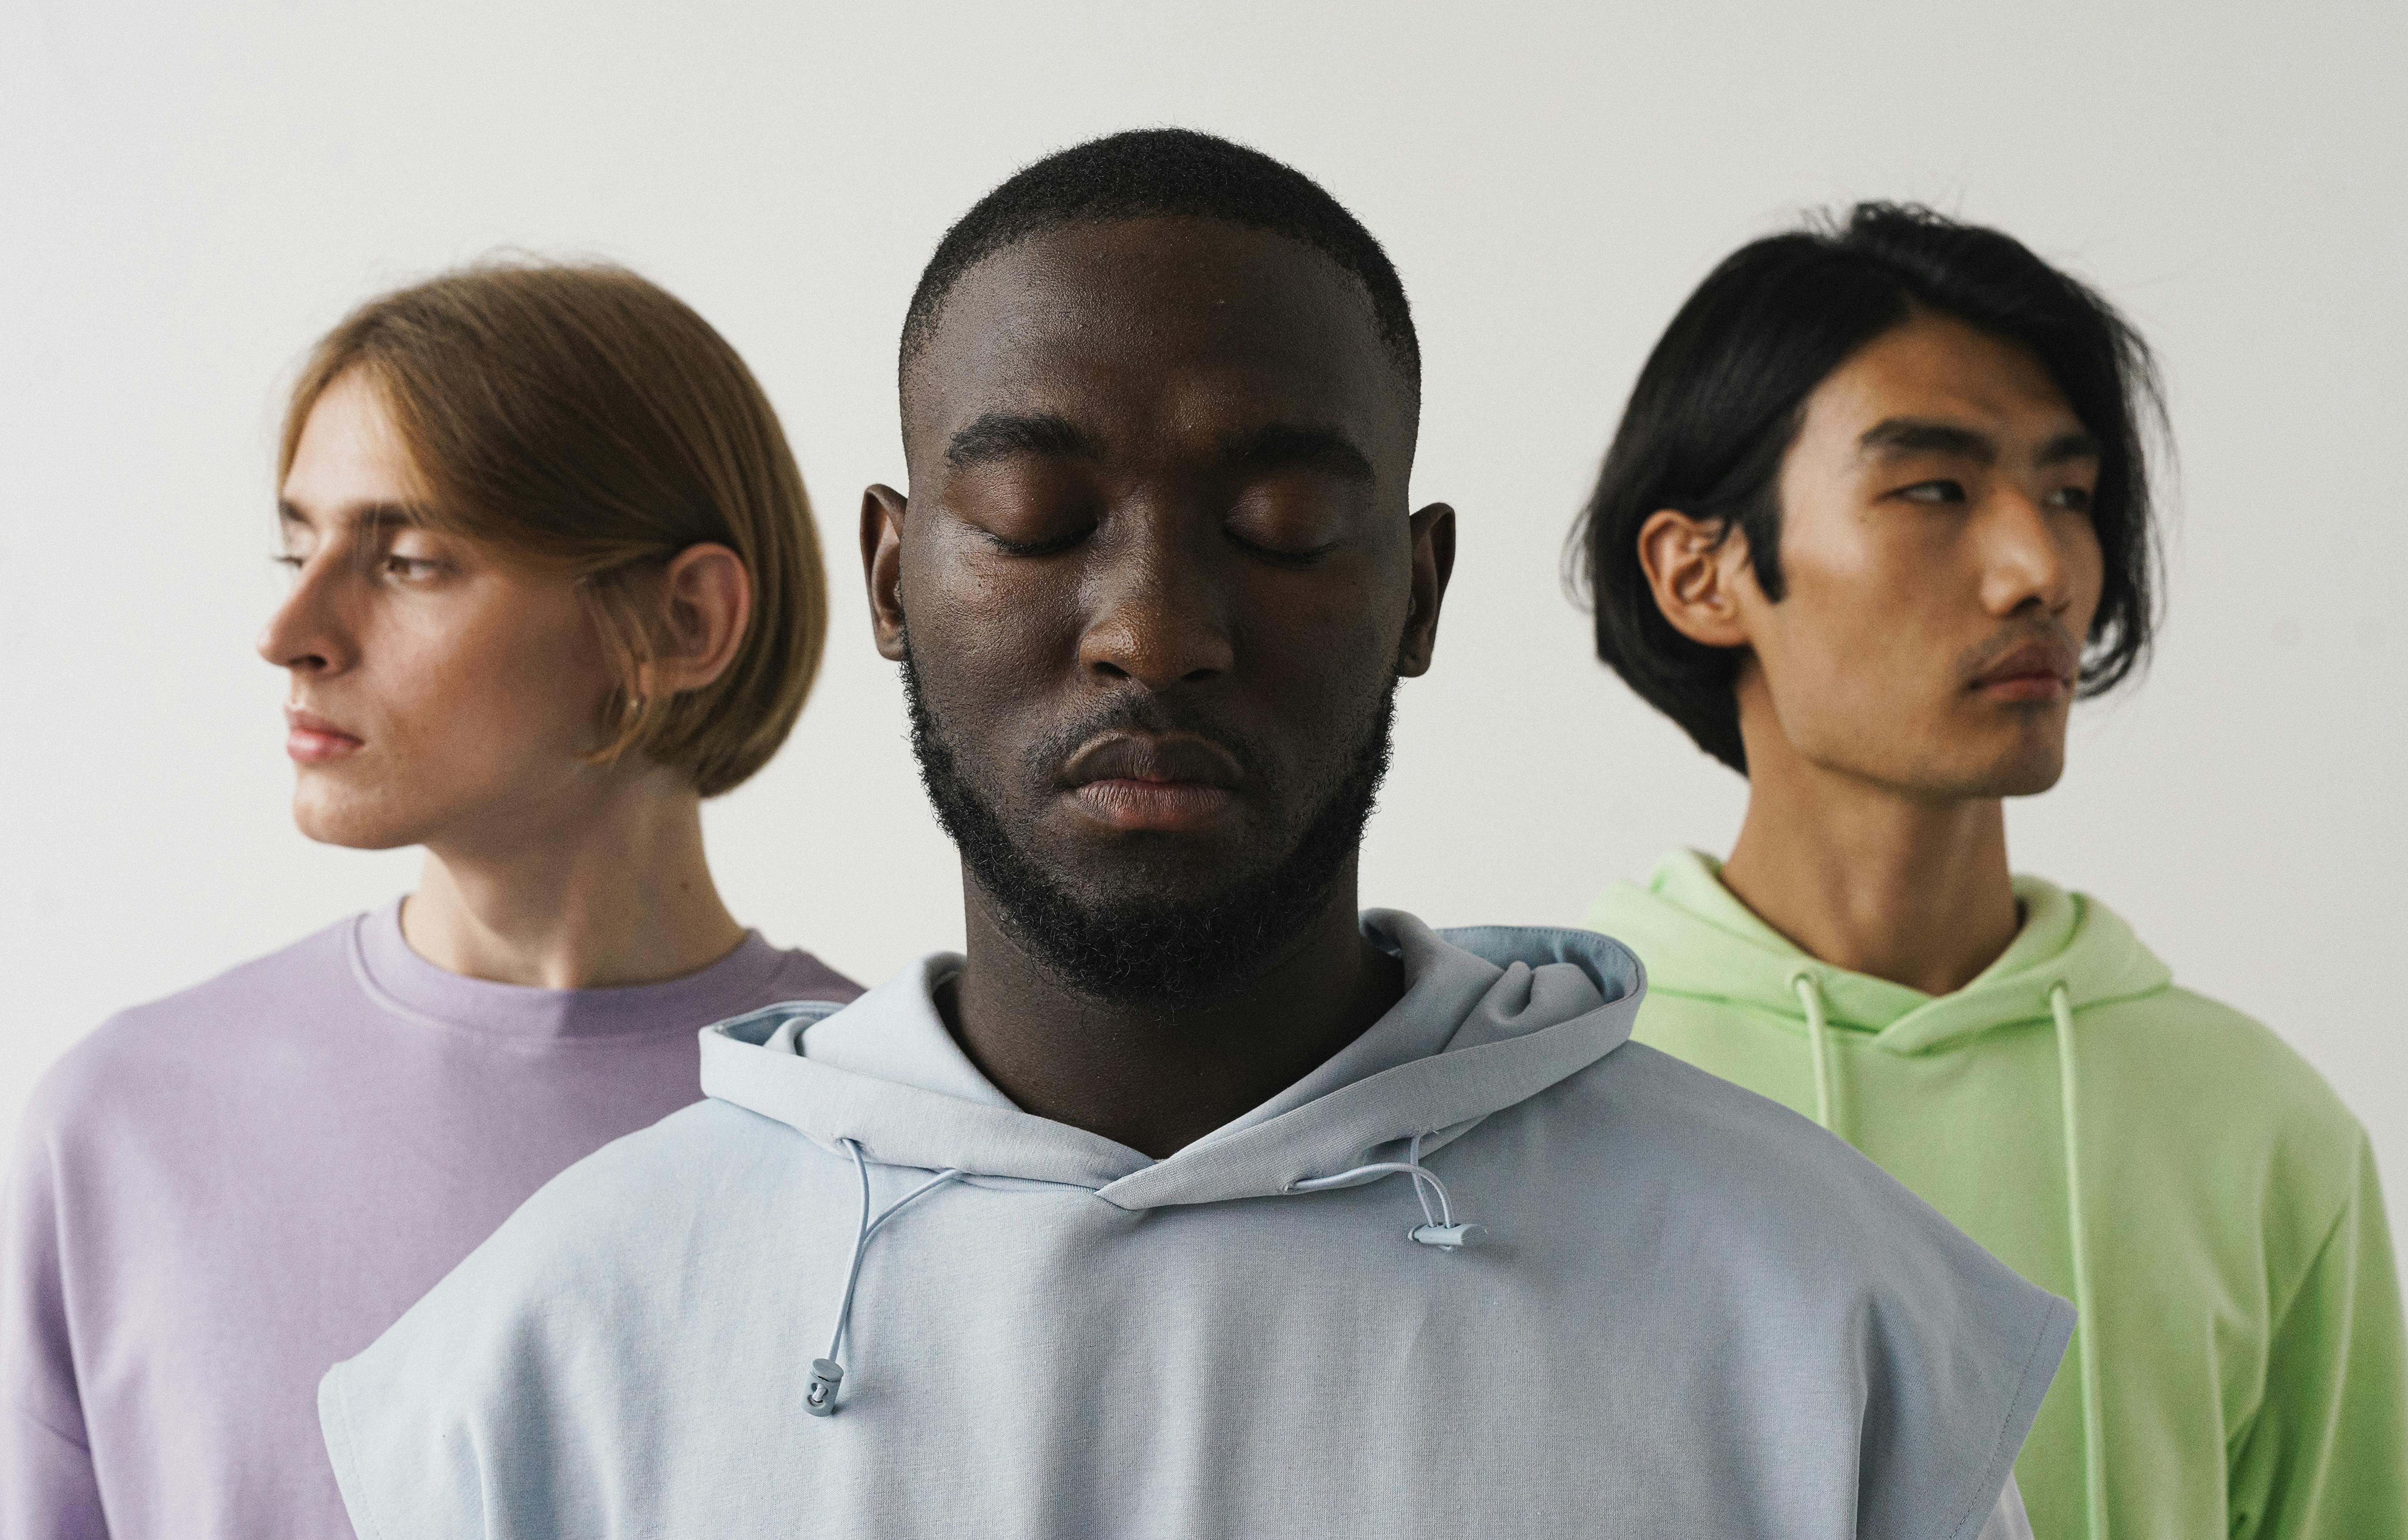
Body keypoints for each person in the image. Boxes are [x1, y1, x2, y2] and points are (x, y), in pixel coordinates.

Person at [317, 133, 2059, 1539]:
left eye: (1281, 523)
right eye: (1030, 517)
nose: (1152, 625)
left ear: (1416, 590)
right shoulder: (549, 1350)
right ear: (890, 581)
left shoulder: (1819, 1314)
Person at [1574, 204, 2406, 1538]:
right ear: (1699, 570)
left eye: (2069, 496)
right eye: (1933, 490)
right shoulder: (1553, 1088)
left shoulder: (2259, 1127)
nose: (2040, 570)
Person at [0, 263, 861, 1540]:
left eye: (404, 560)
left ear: (683, 620)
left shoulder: (893, 1134)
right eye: (298, 546)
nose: (291, 627)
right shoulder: (122, 1127)